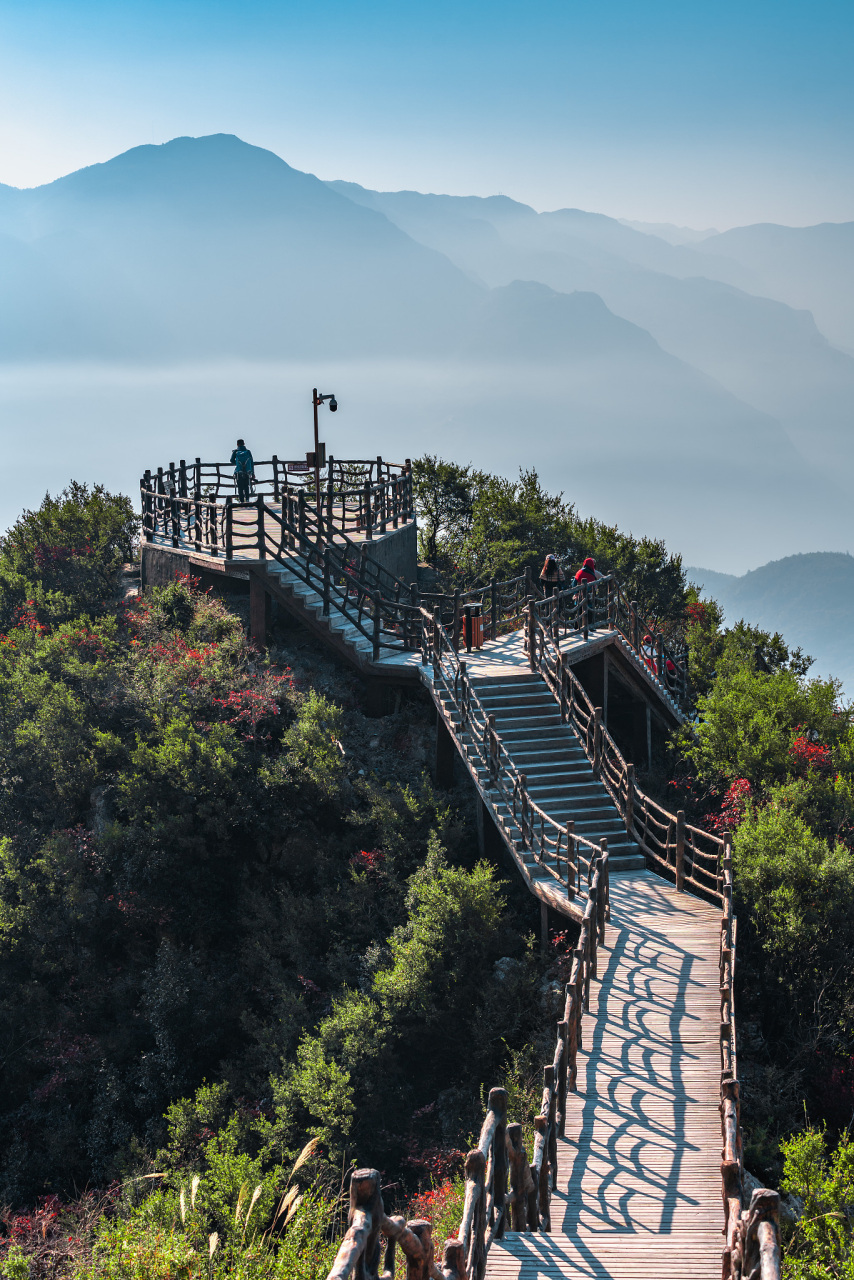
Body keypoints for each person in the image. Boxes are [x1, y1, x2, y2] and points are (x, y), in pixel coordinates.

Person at [230, 438, 255, 503]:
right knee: (246, 486)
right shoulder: (248, 451)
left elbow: (231, 460)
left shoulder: (235, 452)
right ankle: (247, 499)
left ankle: (241, 501)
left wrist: (238, 464)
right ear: (244, 444)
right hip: (247, 471)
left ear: (237, 444)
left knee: (240, 487)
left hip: (239, 472)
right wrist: (253, 473)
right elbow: (252, 462)